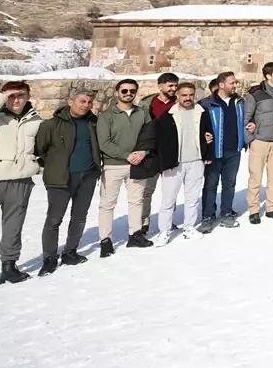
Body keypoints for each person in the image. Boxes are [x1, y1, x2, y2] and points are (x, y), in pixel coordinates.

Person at [131, 82, 211, 245]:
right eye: (184, 95)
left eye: (190, 95)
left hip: (196, 161)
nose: (188, 98)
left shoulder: (202, 112)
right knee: (168, 200)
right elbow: (158, 139)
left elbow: (207, 134)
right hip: (174, 164)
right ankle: (164, 231)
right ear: (178, 96)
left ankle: (188, 227)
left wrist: (207, 148)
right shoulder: (167, 116)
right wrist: (162, 161)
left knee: (192, 198)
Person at [0, 81, 43, 285]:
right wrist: (0, 96)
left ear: (27, 97)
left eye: (20, 95)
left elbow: (42, 148)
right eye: (11, 96)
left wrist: (38, 164)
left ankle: (9, 266)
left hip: (21, 181)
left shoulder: (36, 121)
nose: (16, 100)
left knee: (14, 226)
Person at [34, 89, 101, 275]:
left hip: (88, 175)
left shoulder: (92, 122)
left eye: (89, 102)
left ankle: (70, 252)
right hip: (61, 178)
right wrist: (55, 165)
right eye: (82, 101)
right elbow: (40, 149)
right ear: (71, 101)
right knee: (54, 219)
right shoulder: (52, 124)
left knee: (79, 217)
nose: (86, 105)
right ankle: (49, 257)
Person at [95, 78, 152, 256]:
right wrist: (126, 155)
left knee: (136, 201)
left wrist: (143, 152)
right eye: (124, 91)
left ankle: (135, 234)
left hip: (138, 164)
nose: (128, 94)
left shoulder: (142, 113)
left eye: (132, 91)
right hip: (114, 165)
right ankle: (105, 239)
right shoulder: (106, 116)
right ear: (117, 92)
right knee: (107, 204)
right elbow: (104, 142)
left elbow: (149, 135)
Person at [197, 71, 245, 233]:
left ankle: (226, 213)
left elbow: (246, 119)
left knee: (229, 184)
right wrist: (203, 136)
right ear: (221, 85)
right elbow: (197, 125)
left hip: (234, 151)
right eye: (232, 83)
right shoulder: (205, 104)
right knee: (210, 185)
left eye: (235, 82)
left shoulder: (239, 102)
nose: (235, 85)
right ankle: (207, 216)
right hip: (214, 152)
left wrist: (250, 127)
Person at [243, 62, 273, 225]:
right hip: (260, 141)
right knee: (255, 177)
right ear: (268, 76)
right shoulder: (255, 94)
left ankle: (271, 208)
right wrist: (251, 139)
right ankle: (254, 210)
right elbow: (246, 118)